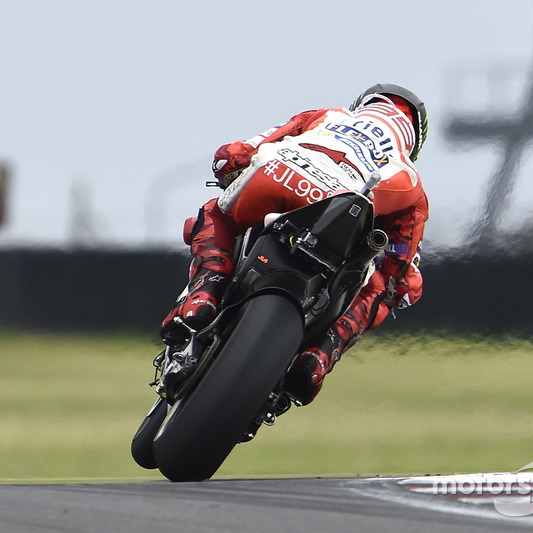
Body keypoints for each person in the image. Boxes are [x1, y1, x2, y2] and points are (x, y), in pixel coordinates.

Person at [160, 83, 429, 406]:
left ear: (363, 105)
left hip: (280, 179)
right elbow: (402, 267)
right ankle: (321, 355)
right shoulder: (409, 176)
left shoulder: (327, 116)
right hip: (343, 214)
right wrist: (398, 285)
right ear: (413, 141)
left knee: (217, 212)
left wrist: (230, 164)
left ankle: (205, 292)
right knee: (379, 288)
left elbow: (241, 151)